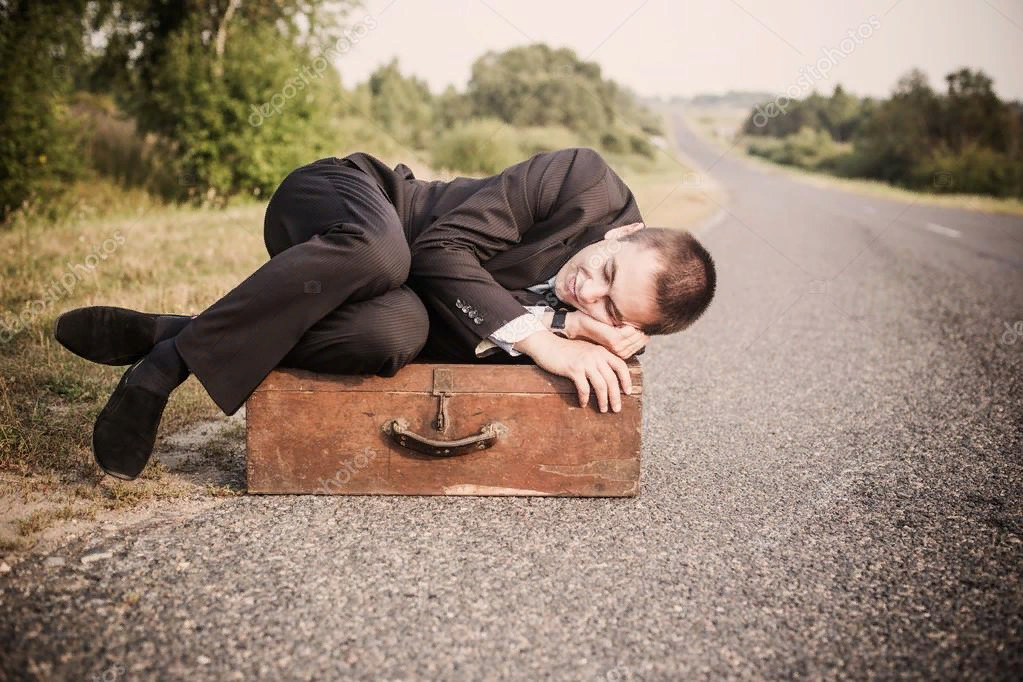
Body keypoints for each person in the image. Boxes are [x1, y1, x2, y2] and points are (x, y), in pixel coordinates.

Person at [54, 147, 716, 481]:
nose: (587, 292)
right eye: (605, 272)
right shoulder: (580, 179)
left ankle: (172, 335)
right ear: (626, 233)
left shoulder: (602, 327)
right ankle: (165, 368)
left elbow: (451, 335)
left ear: (632, 327)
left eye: (610, 308)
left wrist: (573, 332)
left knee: (392, 332)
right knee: (385, 253)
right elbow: (439, 250)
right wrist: (547, 338)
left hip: (377, 295)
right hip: (347, 204)